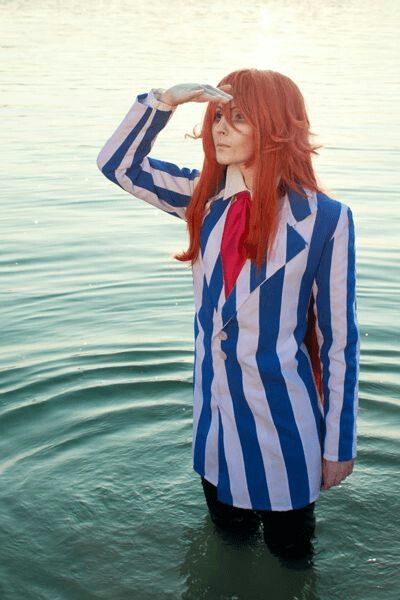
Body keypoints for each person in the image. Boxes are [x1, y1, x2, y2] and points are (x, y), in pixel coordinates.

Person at [96, 69, 360, 566]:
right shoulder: (200, 198)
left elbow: (338, 342)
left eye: (238, 118)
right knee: (228, 546)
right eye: (218, 114)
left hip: (286, 425)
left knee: (291, 557)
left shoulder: (327, 218)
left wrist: (338, 443)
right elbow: (119, 165)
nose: (219, 127)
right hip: (215, 421)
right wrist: (164, 100)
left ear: (275, 126)